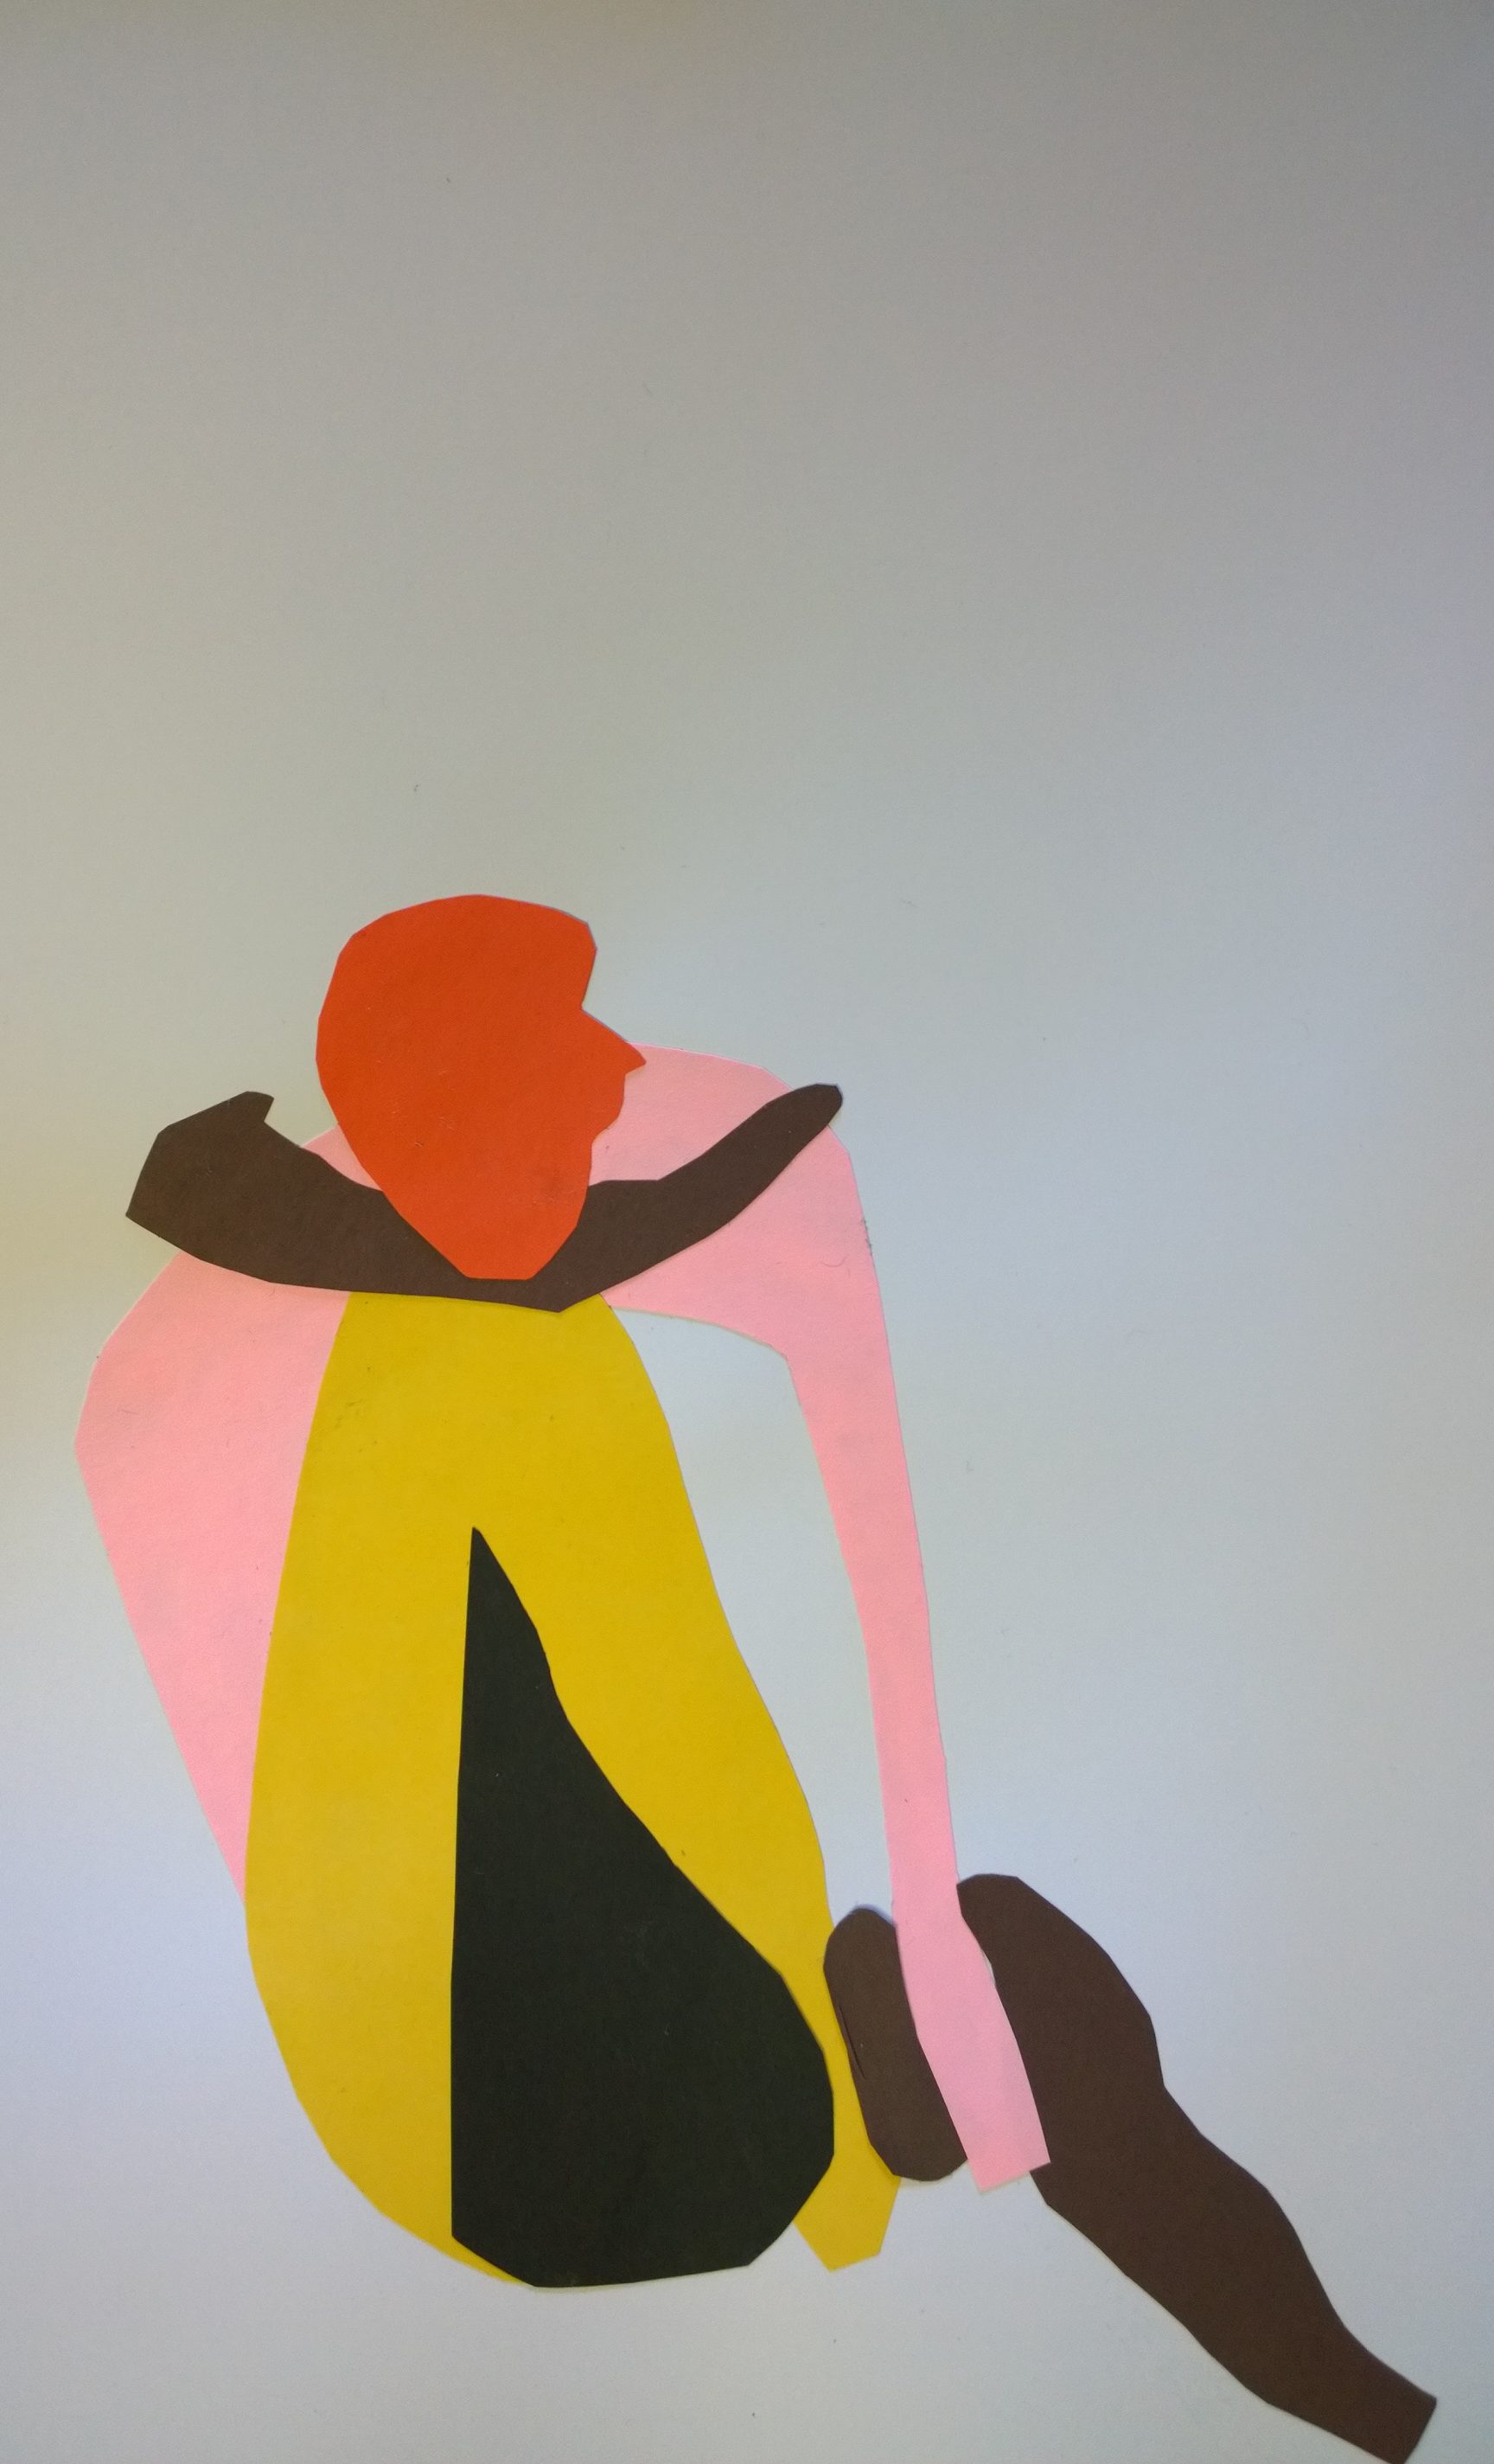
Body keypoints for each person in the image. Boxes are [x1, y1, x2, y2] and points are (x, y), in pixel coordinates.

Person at [104, 895, 1433, 2460]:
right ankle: (1372, 2409)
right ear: (468, 1103)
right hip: (562, 2123)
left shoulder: (402, 1356)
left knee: (987, 1974)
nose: (615, 1072)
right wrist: (852, 2138)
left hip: (461, 2120)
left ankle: (1367, 2402)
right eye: (566, 1046)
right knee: (1026, 1980)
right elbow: (676, 1750)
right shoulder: (493, 1371)